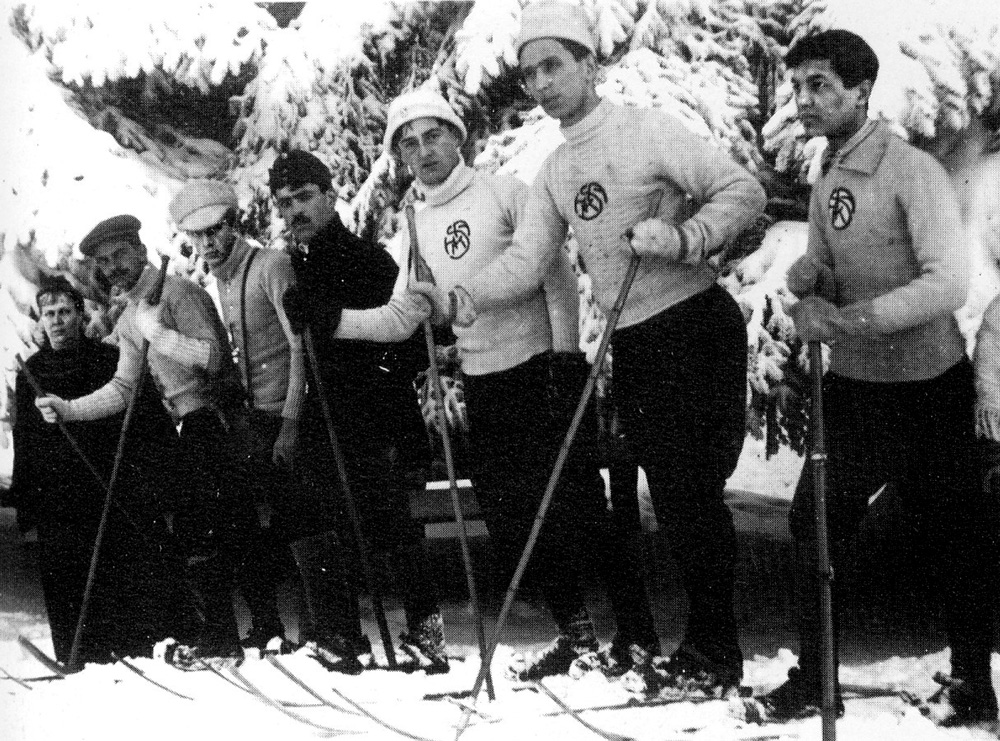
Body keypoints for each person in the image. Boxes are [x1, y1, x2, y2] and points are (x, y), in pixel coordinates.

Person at [410, 0, 765, 696]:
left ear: (587, 64)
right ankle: (698, 647)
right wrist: (459, 300)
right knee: (670, 494)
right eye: (529, 72)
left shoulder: (645, 131)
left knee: (693, 496)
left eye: (553, 65)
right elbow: (526, 261)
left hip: (694, 324)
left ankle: (716, 651)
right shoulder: (556, 170)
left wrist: (686, 237)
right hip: (635, 342)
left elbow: (741, 190)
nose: (541, 83)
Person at [326, 87, 660, 681]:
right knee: (511, 521)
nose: (422, 150)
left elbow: (552, 272)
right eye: (409, 143)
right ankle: (576, 634)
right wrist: (337, 321)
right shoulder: (415, 226)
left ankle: (637, 636)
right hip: (484, 382)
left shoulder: (504, 192)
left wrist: (564, 354)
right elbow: (409, 312)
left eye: (432, 135)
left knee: (579, 509)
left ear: (457, 136)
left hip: (542, 371)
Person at [766, 30, 998, 726]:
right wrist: (814, 280)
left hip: (930, 386)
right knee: (814, 521)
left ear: (862, 91)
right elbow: (832, 267)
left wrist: (849, 318)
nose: (803, 101)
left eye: (820, 86)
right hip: (857, 388)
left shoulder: (912, 172)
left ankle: (972, 681)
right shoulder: (830, 172)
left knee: (957, 533)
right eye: (798, 86)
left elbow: (948, 284)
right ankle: (815, 676)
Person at [35, 215, 253, 664]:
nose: (113, 267)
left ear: (140, 250)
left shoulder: (179, 294)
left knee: (215, 531)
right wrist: (69, 409)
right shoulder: (134, 311)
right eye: (103, 261)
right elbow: (123, 387)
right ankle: (218, 636)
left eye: (119, 255)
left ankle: (244, 634)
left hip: (209, 421)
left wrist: (162, 335)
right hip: (178, 432)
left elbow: (217, 360)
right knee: (194, 535)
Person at [268, 150, 449, 673]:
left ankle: (425, 633)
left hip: (375, 417)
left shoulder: (367, 260)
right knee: (325, 521)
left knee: (390, 523)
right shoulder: (297, 268)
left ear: (329, 196)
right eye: (284, 203)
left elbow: (412, 346)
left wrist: (374, 384)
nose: (294, 211)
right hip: (325, 417)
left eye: (303, 197)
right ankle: (342, 635)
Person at [8, 277, 195, 664]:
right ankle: (77, 657)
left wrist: (157, 481)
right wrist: (29, 509)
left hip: (108, 483)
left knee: (120, 573)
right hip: (60, 496)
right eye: (49, 314)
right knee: (68, 579)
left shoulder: (107, 359)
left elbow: (145, 419)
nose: (57, 321)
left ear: (80, 315)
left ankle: (136, 651)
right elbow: (25, 441)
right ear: (41, 321)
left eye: (64, 312)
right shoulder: (33, 372)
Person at [168, 180, 310, 652]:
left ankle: (326, 633)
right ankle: (272, 629)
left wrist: (290, 423)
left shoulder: (269, 265)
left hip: (288, 417)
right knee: (257, 526)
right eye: (197, 236)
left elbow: (298, 347)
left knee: (302, 526)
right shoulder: (222, 281)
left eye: (214, 232)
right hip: (255, 422)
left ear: (233, 226)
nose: (206, 244)